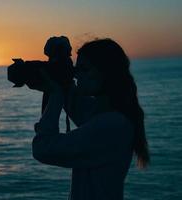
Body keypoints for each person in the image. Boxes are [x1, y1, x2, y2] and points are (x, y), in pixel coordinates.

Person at [31, 38, 150, 200]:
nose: (76, 74)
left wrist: (56, 95)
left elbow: (43, 148)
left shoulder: (111, 125)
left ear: (106, 73)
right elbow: (77, 105)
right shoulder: (110, 114)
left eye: (84, 69)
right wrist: (59, 63)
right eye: (76, 68)